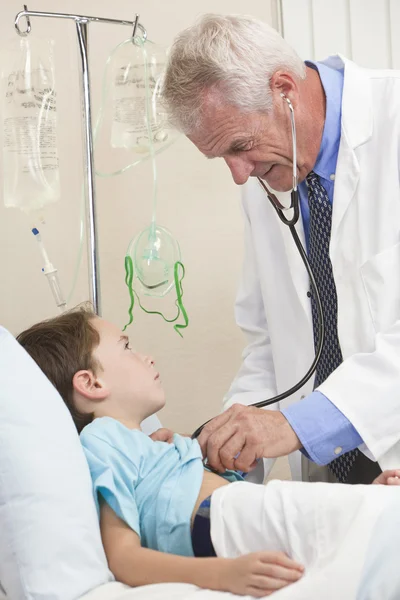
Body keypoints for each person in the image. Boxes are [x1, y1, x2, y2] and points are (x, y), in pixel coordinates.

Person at [162, 13, 400, 485]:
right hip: (331, 475)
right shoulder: (269, 172)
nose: (238, 174)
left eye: (240, 145)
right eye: (221, 158)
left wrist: (294, 425)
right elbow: (271, 340)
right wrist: (227, 443)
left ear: (284, 90)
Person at [17, 307, 400, 598]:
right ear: (91, 382)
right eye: (127, 347)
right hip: (218, 524)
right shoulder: (103, 441)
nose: (147, 357)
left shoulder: (159, 446)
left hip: (238, 512)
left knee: (373, 537)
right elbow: (123, 558)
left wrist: (358, 497)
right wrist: (222, 575)